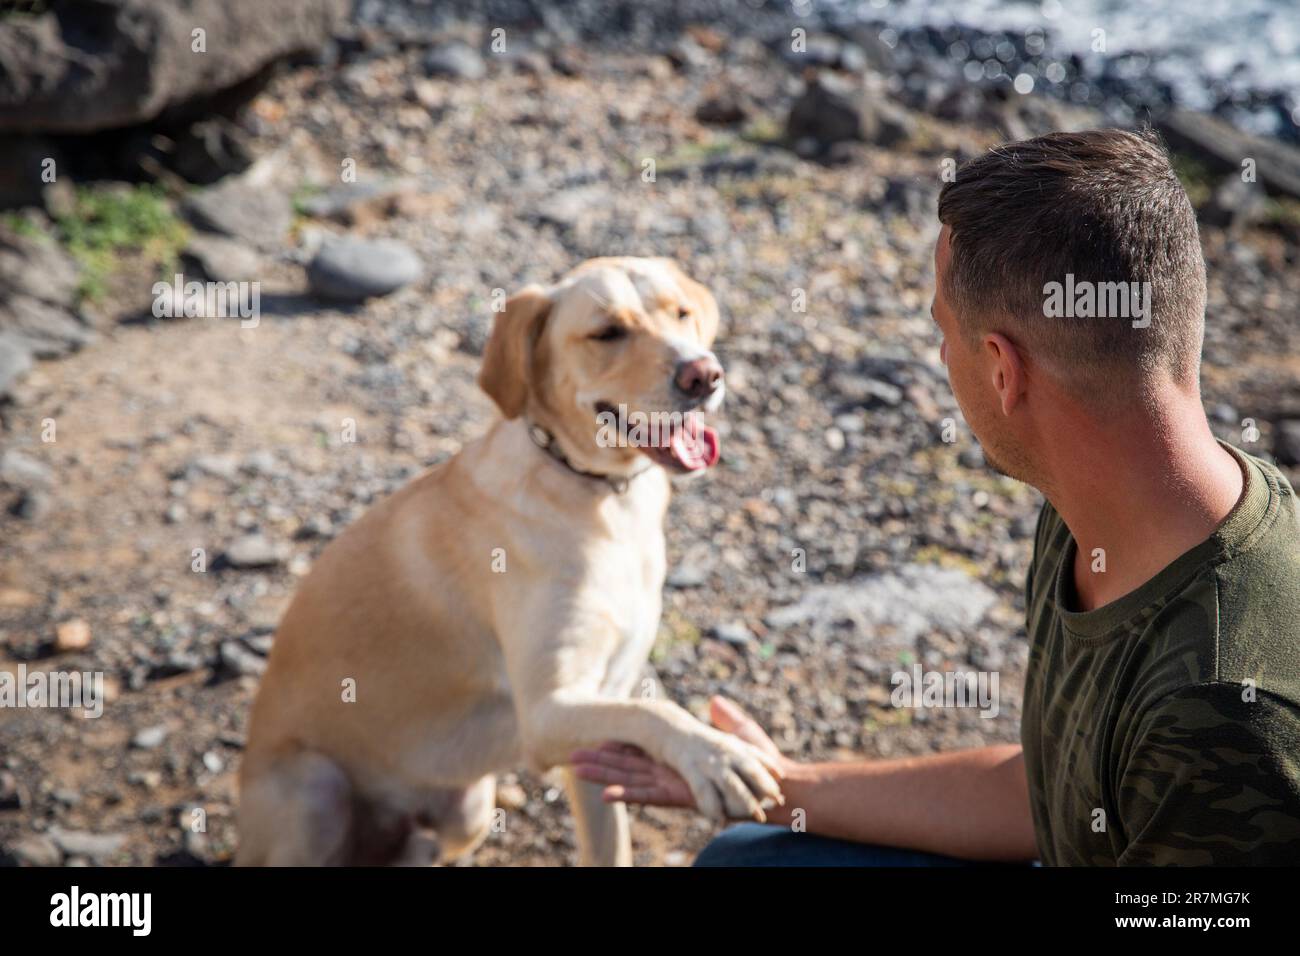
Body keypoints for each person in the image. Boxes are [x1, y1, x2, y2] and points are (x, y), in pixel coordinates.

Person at [570, 129, 1300, 866]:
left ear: (1002, 371)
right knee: (748, 857)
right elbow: (1058, 801)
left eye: (942, 333)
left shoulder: (1224, 714)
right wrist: (787, 786)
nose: (939, 359)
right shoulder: (1105, 505)